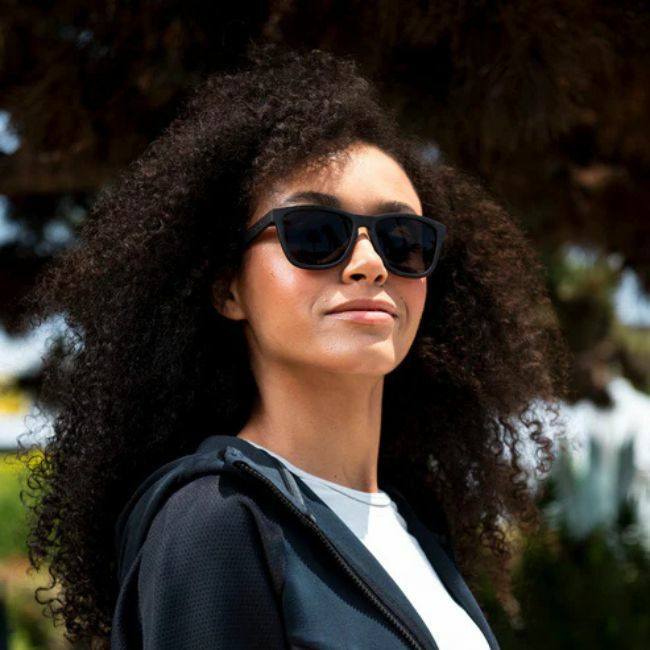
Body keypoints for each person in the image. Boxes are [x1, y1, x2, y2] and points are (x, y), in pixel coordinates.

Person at [21, 43, 570, 650]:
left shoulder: (415, 525)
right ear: (228, 288)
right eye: (314, 234)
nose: (370, 264)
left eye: (402, 240)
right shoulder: (216, 520)